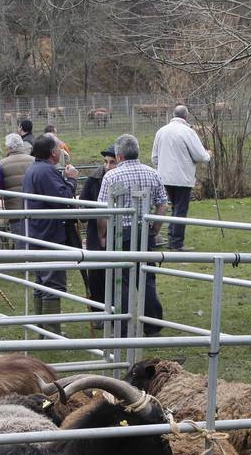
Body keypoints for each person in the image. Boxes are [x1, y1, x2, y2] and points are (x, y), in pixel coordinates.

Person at [96, 133, 168, 336]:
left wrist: (102, 235)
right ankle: (152, 325)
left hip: (121, 234)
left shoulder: (111, 176)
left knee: (122, 278)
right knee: (146, 277)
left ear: (119, 156)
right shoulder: (152, 173)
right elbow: (163, 204)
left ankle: (124, 326)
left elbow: (103, 210)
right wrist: (154, 228)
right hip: (144, 232)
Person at [22, 133, 80, 334]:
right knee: (52, 283)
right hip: (49, 235)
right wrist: (71, 180)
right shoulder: (46, 172)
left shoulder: (34, 169)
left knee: (41, 282)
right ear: (53, 152)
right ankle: (51, 330)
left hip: (38, 232)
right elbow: (61, 199)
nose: (61, 151)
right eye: (58, 148)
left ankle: (42, 328)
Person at [151, 105, 211, 251]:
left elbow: (154, 157)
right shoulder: (188, 132)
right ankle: (176, 243)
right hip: (182, 178)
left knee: (167, 206)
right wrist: (208, 154)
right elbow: (200, 155)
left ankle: (157, 237)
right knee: (180, 209)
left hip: (163, 177)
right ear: (186, 116)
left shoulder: (161, 131)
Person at [77, 147, 118, 321]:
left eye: (112, 162)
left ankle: (116, 312)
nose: (108, 165)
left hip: (117, 233)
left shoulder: (122, 179)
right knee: (96, 275)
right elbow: (84, 208)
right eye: (106, 161)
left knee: (116, 274)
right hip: (96, 233)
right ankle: (98, 314)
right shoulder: (93, 179)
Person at [0, 132, 35, 235]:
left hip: (14, 211)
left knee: (20, 242)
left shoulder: (2, 163)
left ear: (8, 147)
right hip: (34, 209)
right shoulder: (33, 161)